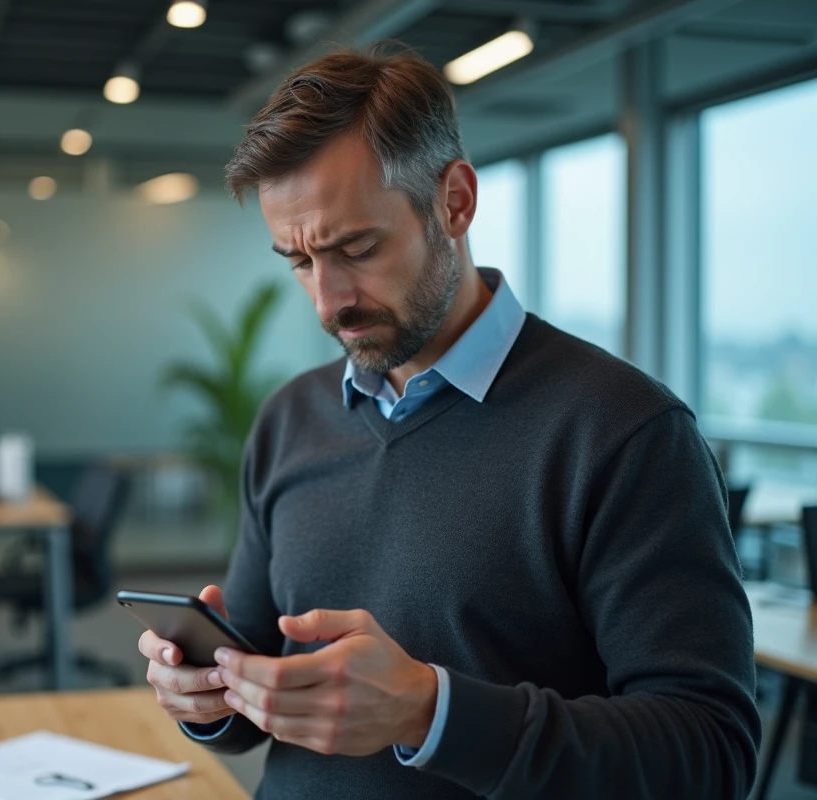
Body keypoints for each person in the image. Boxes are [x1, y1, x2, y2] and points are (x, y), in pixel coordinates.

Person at [135, 45, 760, 799]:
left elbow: (709, 756)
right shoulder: (289, 420)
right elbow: (265, 694)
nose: (329, 301)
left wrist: (431, 713)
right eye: (298, 262)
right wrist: (207, 696)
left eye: (357, 247)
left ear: (455, 202)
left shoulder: (624, 431)